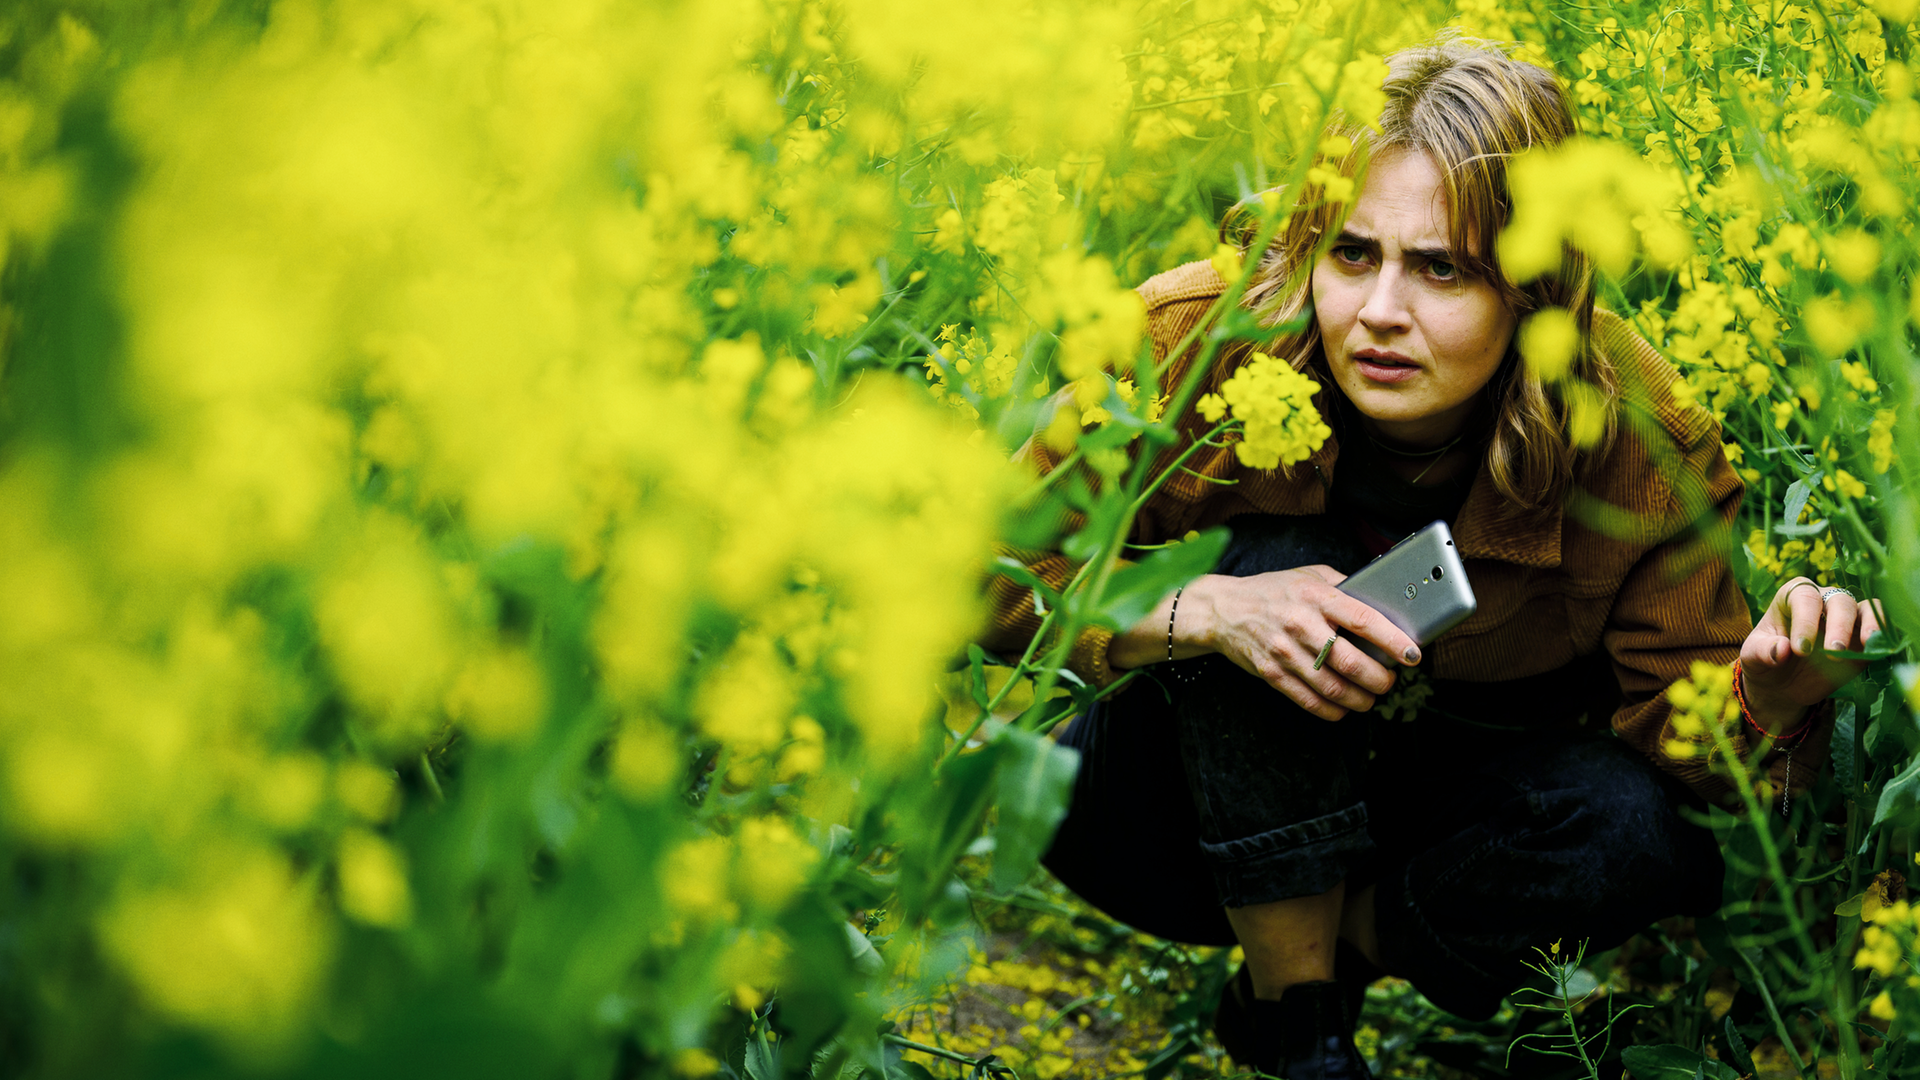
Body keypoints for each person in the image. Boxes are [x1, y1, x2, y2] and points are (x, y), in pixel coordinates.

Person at [983, 36, 1885, 1080]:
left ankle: (1334, 956)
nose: (1378, 312)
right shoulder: (1191, 338)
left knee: (1640, 832)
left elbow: (1691, 762)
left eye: (1441, 268)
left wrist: (1770, 700)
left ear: (1533, 290)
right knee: (1278, 567)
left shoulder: (1636, 435)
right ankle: (1303, 1034)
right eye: (1351, 254)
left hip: (1434, 829)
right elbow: (981, 573)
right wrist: (1207, 610)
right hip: (1167, 823)